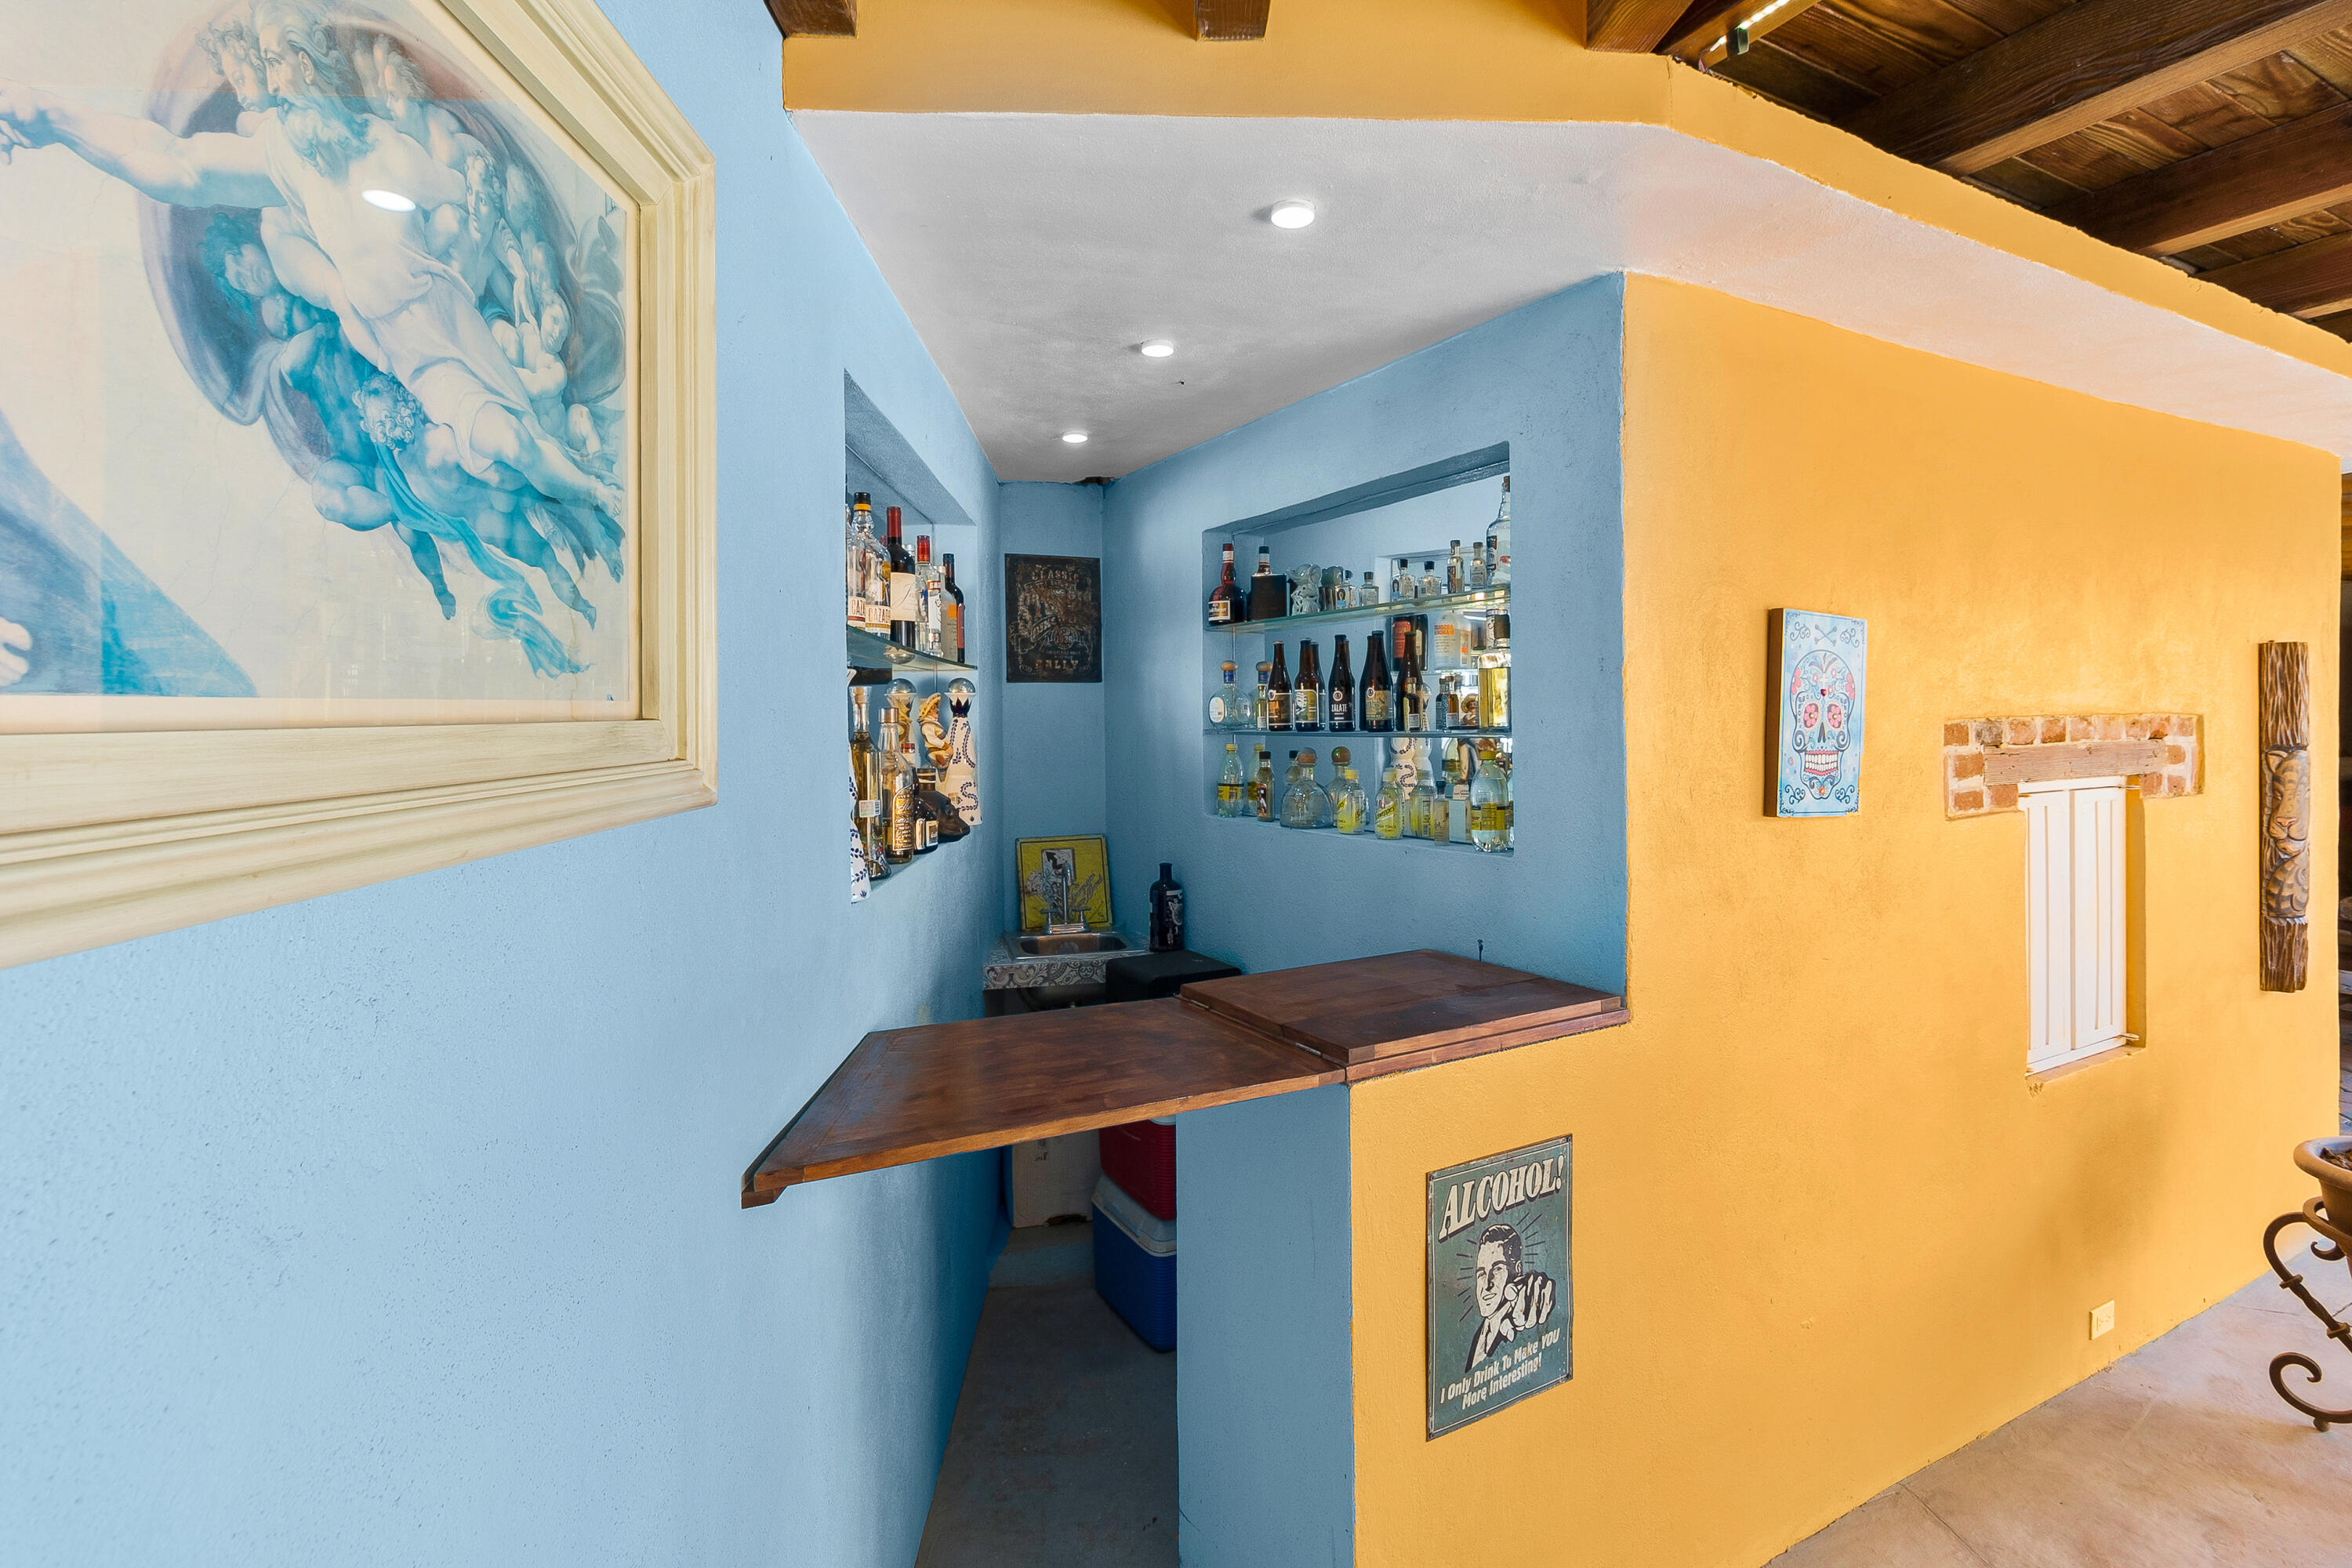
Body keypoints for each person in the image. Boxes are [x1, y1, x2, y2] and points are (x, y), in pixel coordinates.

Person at [1465, 1222, 1557, 1373]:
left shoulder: (1520, 1324)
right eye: (1481, 1273)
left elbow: (1535, 1286)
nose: (1487, 1284)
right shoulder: (1478, 1335)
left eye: (1497, 1269)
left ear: (1517, 1270)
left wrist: (1538, 1289)